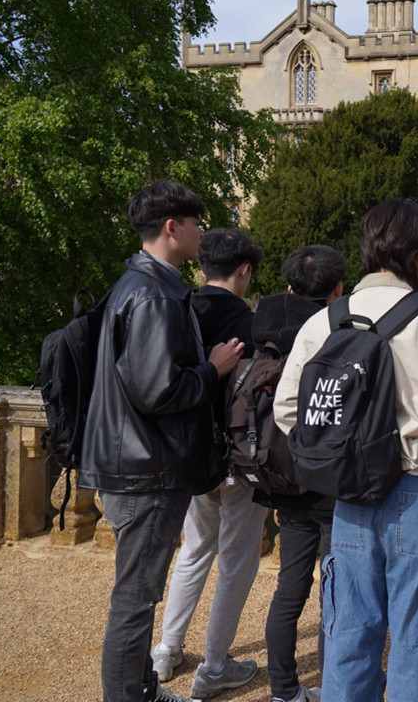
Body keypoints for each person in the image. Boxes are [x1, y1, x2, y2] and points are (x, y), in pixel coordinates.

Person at [274, 199, 418, 702]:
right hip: (416, 488)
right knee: (416, 636)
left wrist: (335, 452)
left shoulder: (325, 321)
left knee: (348, 630)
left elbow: (289, 410)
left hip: (350, 493)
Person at [80, 181, 245, 702]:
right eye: (195, 222)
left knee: (138, 595)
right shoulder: (153, 293)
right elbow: (157, 390)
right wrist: (213, 370)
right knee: (135, 599)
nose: (201, 231)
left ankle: (142, 687)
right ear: (172, 228)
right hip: (144, 467)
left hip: (135, 459)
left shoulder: (143, 283)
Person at [151, 228, 265, 699]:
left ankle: (165, 649)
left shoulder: (179, 308)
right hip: (237, 456)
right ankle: (215, 666)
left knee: (195, 548)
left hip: (191, 453)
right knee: (237, 559)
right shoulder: (251, 323)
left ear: (201, 266)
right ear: (244, 271)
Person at [256, 244, 347, 702]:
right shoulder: (339, 332)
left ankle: (284, 690)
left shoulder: (268, 330)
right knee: (337, 594)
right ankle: (335, 687)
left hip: (284, 477)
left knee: (289, 589)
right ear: (338, 290)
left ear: (290, 287)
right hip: (331, 483)